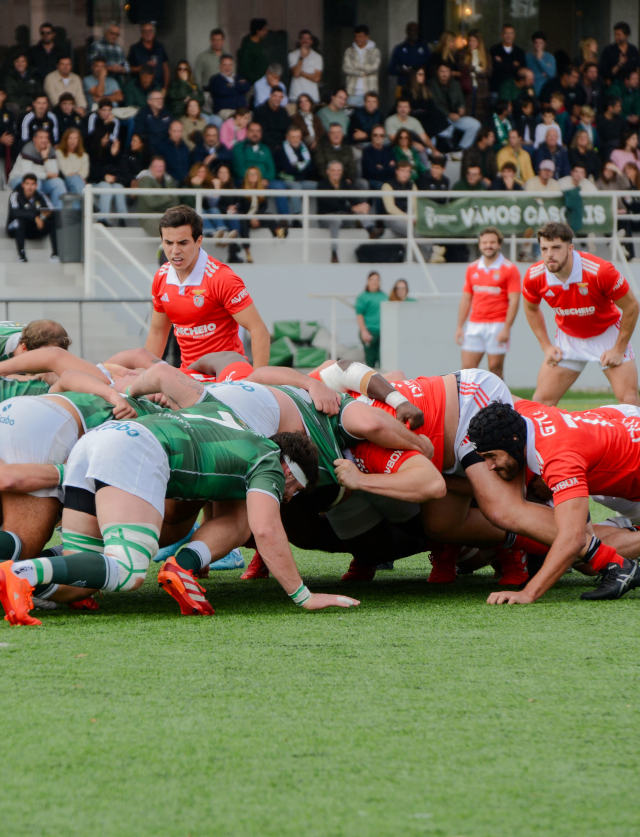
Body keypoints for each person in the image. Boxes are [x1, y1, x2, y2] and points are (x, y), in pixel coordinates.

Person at [467, 401, 640, 604]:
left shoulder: (558, 459)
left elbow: (573, 539)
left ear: (513, 440)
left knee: (580, 550)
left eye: (492, 456)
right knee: (584, 551)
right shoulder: (522, 414)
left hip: (627, 459)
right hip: (623, 430)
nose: (489, 466)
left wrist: (528, 593)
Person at [523, 221, 640, 405]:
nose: (549, 254)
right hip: (569, 339)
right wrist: (546, 347)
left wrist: (618, 349)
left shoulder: (600, 271)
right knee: (541, 402)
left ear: (570, 248)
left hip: (607, 334)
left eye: (556, 247)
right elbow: (531, 308)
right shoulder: (534, 276)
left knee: (629, 401)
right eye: (544, 249)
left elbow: (631, 306)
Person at [144, 205, 270, 371]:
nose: (175, 251)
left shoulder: (221, 278)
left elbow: (258, 330)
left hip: (226, 374)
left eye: (183, 243)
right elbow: (158, 332)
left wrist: (257, 381)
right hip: (189, 375)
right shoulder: (161, 277)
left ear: (199, 241)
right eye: (168, 243)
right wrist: (146, 375)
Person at [455, 227, 520, 379]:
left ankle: (499, 395)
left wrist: (507, 328)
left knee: (495, 368)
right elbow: (466, 299)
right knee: (467, 369)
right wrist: (460, 326)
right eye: (484, 242)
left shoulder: (509, 269)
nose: (488, 246)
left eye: (492, 242)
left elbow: (514, 300)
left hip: (497, 324)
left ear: (499, 244)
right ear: (479, 245)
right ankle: (469, 395)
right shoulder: (472, 268)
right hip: (475, 324)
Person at [317, 160, 379, 263]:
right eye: (333, 170)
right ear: (328, 171)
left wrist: (361, 205)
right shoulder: (322, 185)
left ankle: (371, 230)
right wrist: (352, 209)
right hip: (326, 218)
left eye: (339, 170)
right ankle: (334, 253)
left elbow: (352, 199)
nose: (336, 173)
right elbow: (330, 205)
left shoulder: (344, 183)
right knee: (335, 220)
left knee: (359, 209)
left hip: (343, 215)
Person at [8, 128, 67, 207]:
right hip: (19, 179)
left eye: (46, 138)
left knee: (58, 183)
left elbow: (54, 173)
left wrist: (45, 158)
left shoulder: (50, 150)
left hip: (41, 180)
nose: (44, 140)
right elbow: (28, 174)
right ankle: (34, 211)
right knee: (34, 183)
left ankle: (57, 212)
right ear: (34, 139)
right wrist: (46, 175)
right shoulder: (28, 149)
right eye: (41, 137)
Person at [6, 173, 58, 262]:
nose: (30, 187)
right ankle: (21, 256)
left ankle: (55, 255)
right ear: (23, 185)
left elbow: (50, 210)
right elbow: (14, 212)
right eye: (27, 184)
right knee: (19, 221)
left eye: (32, 184)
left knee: (53, 219)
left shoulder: (40, 195)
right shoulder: (15, 195)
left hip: (34, 228)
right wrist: (34, 217)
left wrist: (41, 218)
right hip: (15, 228)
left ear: (36, 185)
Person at [428, 63, 481, 150]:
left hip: (456, 117)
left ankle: (461, 149)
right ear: (437, 72)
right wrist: (448, 114)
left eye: (446, 71)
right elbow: (435, 104)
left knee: (475, 125)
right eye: (442, 71)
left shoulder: (455, 84)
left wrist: (461, 107)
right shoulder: (431, 84)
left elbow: (461, 100)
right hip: (440, 118)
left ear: (450, 73)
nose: (444, 74)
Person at [274, 125, 316, 213]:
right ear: (287, 137)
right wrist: (300, 170)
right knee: (296, 187)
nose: (296, 140)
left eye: (298, 137)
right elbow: (286, 169)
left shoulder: (305, 149)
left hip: (302, 180)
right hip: (286, 180)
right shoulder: (280, 150)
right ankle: (297, 216)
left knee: (319, 186)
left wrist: (296, 169)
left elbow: (310, 168)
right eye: (293, 137)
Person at [135, 156, 179, 236]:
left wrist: (162, 199)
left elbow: (175, 202)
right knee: (164, 231)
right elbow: (152, 203)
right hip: (149, 217)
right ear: (150, 168)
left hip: (168, 215)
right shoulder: (145, 180)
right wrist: (168, 197)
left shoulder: (168, 179)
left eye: (161, 166)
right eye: (156, 166)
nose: (159, 169)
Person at [455, 29, 491, 122]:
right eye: (470, 40)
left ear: (479, 42)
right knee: (467, 114)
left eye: (474, 41)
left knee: (480, 116)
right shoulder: (462, 53)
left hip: (481, 90)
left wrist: (475, 71)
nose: (471, 43)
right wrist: (476, 69)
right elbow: (462, 68)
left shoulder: (485, 54)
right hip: (467, 89)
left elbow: (488, 71)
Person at [342, 24, 381, 106]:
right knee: (351, 113)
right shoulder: (349, 51)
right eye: (356, 36)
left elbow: (374, 67)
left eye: (360, 36)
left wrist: (356, 65)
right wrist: (360, 73)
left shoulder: (375, 51)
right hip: (352, 91)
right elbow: (346, 68)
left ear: (367, 37)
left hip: (369, 91)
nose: (358, 39)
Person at [355, 271, 387, 366]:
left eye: (377, 280)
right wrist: (364, 331)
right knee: (370, 362)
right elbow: (359, 315)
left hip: (383, 333)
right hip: (370, 332)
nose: (375, 282)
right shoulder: (363, 297)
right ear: (368, 281)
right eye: (372, 279)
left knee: (383, 360)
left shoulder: (384, 296)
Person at [388, 21, 429, 93]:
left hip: (420, 86)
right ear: (407, 31)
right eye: (411, 30)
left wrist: (420, 70)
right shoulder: (399, 48)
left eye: (415, 30)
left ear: (418, 31)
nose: (413, 33)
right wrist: (402, 70)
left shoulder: (424, 48)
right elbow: (391, 69)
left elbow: (430, 65)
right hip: (403, 85)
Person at [127, 22, 169, 90]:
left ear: (154, 33)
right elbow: (128, 68)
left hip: (158, 87)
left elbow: (166, 69)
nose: (148, 33)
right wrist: (142, 67)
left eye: (150, 31)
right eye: (145, 31)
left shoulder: (160, 47)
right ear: (141, 33)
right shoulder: (134, 48)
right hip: (139, 89)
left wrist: (165, 88)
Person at [381, 160, 417, 237]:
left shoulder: (412, 185)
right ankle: (430, 245)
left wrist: (414, 216)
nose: (405, 174)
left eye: (408, 171)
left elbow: (415, 205)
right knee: (413, 231)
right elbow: (390, 208)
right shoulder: (387, 185)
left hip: (409, 215)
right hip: (392, 217)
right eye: (402, 171)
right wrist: (407, 218)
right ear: (397, 171)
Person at [489, 23, 526, 96]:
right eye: (506, 33)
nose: (509, 36)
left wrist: (502, 62)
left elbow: (521, 70)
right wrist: (513, 65)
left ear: (514, 35)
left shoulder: (519, 52)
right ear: (502, 35)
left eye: (511, 33)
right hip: (497, 89)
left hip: (514, 90)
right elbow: (495, 68)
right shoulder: (494, 50)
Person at [288, 29, 323, 104]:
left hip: (312, 96)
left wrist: (301, 73)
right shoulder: (292, 55)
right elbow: (296, 74)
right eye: (303, 38)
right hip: (296, 95)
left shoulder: (317, 57)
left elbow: (316, 78)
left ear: (311, 41)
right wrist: (301, 57)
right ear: (300, 40)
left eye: (307, 38)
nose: (305, 41)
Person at [55, 126, 88, 198]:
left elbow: (85, 173)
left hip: (79, 181)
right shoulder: (59, 153)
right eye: (70, 138)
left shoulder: (84, 155)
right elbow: (66, 171)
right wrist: (77, 175)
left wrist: (76, 175)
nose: (73, 141)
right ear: (66, 139)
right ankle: (87, 201)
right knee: (75, 180)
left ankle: (80, 203)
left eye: (75, 138)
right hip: (66, 180)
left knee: (76, 184)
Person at [237, 18, 269, 84]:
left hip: (265, 80)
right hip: (254, 83)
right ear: (258, 31)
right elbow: (245, 69)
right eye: (264, 30)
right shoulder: (247, 47)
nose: (266, 32)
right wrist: (256, 80)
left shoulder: (262, 43)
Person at [526, 31, 556, 96]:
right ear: (533, 44)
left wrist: (540, 60)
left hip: (546, 91)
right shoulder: (528, 57)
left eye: (541, 43)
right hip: (531, 90)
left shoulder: (550, 57)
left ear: (545, 44)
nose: (538, 45)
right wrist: (542, 75)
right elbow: (527, 76)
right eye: (536, 43)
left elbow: (551, 74)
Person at [597, 96, 625, 161]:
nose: (620, 109)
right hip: (604, 150)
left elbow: (624, 135)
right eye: (618, 106)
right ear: (610, 108)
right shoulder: (599, 120)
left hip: (619, 149)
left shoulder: (620, 120)